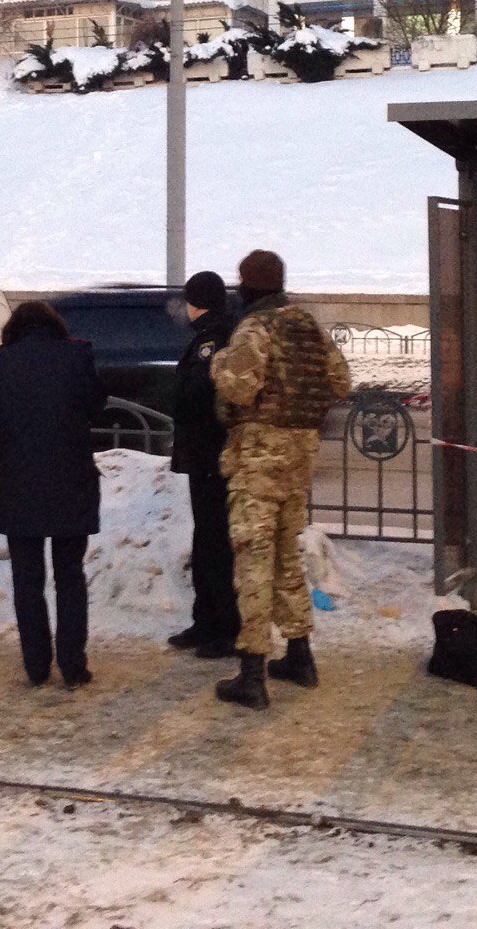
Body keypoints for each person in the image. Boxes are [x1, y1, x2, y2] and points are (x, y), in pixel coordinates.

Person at [210, 250, 352, 711]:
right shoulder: (307, 325)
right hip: (300, 454)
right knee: (286, 550)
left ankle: (253, 670)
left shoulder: (255, 328)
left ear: (247, 286)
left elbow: (239, 388)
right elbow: (341, 380)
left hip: (259, 454)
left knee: (254, 554)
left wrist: (218, 365)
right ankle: (299, 654)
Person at [0, 301, 104, 689]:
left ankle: (35, 666)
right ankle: (73, 665)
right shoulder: (77, 354)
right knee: (70, 574)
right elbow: (94, 404)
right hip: (71, 478)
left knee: (27, 578)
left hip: (20, 482)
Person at [168, 270, 239, 660]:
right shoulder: (211, 337)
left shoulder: (215, 341)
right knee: (206, 538)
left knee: (215, 542)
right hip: (205, 456)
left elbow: (199, 396)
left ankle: (223, 628)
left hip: (214, 455)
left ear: (198, 303)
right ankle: (205, 620)